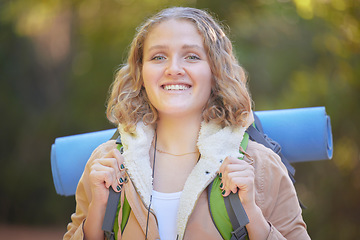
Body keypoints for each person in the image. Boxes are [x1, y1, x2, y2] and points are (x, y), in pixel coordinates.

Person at [64, 7, 310, 240]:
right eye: (158, 57)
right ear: (141, 73)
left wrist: (252, 213)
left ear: (215, 72)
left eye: (191, 56)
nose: (173, 69)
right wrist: (98, 210)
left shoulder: (260, 166)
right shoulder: (106, 162)